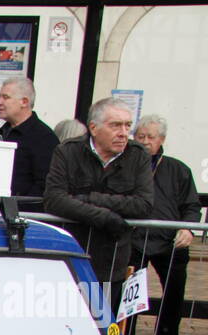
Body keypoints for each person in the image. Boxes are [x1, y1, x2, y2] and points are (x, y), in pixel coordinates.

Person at [44, 97, 153, 298]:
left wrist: (89, 199)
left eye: (127, 125)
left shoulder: (138, 157)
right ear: (93, 128)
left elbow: (143, 204)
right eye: (115, 125)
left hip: (112, 261)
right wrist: (104, 217)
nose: (123, 133)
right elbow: (54, 199)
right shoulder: (68, 152)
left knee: (104, 324)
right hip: (71, 254)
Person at [131, 115, 201, 335]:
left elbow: (191, 205)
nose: (145, 141)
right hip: (134, 240)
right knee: (128, 296)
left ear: (161, 140)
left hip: (169, 242)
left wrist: (188, 229)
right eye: (141, 136)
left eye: (151, 137)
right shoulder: (126, 165)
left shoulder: (178, 169)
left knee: (173, 296)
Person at [0, 77, 59, 198]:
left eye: (5, 97)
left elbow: (44, 185)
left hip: (23, 212)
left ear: (24, 102)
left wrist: (17, 208)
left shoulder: (44, 138)